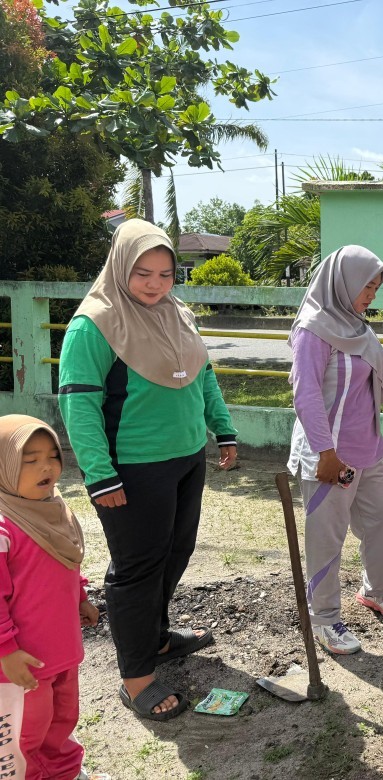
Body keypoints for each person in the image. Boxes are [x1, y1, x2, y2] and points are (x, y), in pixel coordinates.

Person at [58, 219, 238, 721]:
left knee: (174, 553)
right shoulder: (94, 324)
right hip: (131, 470)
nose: (155, 284)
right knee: (137, 570)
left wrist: (221, 429)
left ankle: (156, 640)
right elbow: (79, 404)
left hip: (184, 459)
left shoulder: (176, 314)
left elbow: (202, 374)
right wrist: (99, 474)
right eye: (142, 273)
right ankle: (135, 676)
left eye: (165, 273)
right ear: (120, 268)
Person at [287, 245, 383, 657]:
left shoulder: (356, 324)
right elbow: (304, 394)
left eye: (376, 286)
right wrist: (324, 453)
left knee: (382, 525)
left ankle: (376, 591)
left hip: (369, 448)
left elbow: (364, 369)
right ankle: (324, 618)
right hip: (331, 457)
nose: (372, 294)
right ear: (342, 283)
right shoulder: (314, 328)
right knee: (327, 540)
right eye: (366, 285)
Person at [0, 415, 100, 778]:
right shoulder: (4, 526)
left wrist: (80, 596)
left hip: (59, 648)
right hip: (19, 661)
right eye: (30, 460)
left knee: (62, 718)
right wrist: (6, 652)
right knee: (25, 733)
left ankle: (63, 770)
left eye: (52, 456)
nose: (46, 467)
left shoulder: (54, 508)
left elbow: (65, 561)